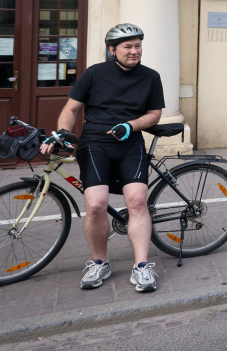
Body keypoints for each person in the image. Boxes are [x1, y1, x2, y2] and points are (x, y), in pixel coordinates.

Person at [38, 23, 164, 292]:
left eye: (138, 45)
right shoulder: (94, 73)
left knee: (138, 200)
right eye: (128, 47)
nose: (134, 51)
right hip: (95, 143)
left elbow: (154, 114)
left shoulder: (151, 77)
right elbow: (71, 109)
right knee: (96, 205)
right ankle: (100, 262)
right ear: (112, 50)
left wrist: (131, 125)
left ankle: (142, 267)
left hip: (131, 144)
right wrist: (62, 132)